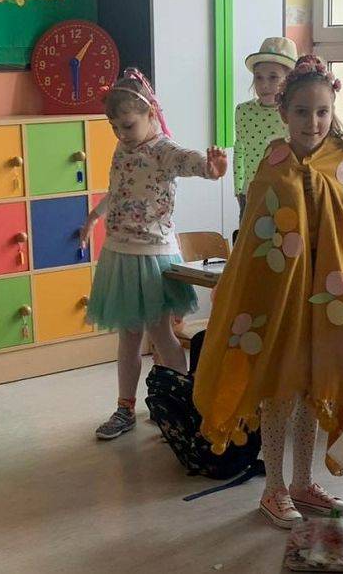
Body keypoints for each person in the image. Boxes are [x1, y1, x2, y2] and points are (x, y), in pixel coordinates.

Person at [193, 55, 343, 528]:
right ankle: (273, 487)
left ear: (333, 111)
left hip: (328, 304)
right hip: (281, 303)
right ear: (283, 112)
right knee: (279, 392)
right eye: (301, 112)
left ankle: (303, 482)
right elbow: (258, 239)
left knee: (313, 390)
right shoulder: (274, 165)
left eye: (322, 112)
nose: (312, 122)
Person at [80, 68, 227, 440]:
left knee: (161, 334)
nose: (121, 134)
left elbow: (191, 162)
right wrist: (94, 216)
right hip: (120, 252)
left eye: (127, 125)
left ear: (150, 114)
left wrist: (211, 169)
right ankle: (125, 408)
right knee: (128, 336)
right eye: (114, 127)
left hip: (153, 255)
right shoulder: (123, 148)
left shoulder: (163, 149)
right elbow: (119, 189)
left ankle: (179, 407)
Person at [234, 37, 297, 216]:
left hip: (285, 193)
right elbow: (239, 148)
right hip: (251, 193)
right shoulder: (243, 111)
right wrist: (239, 189)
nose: (264, 85)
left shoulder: (293, 113)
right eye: (258, 77)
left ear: (288, 80)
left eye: (273, 77)